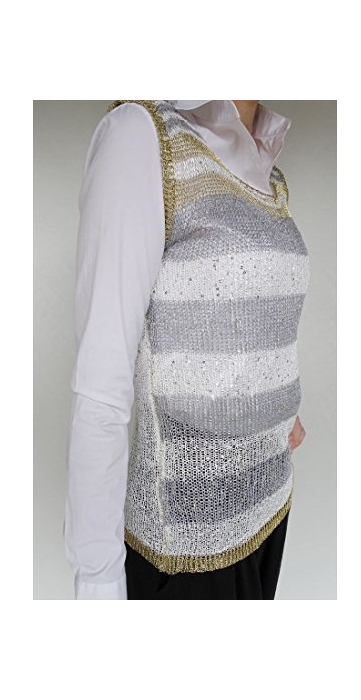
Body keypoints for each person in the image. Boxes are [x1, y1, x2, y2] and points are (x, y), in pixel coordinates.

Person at [64, 100, 310, 600]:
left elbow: (247, 318)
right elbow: (100, 385)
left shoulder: (268, 169)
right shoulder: (143, 135)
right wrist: (98, 581)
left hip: (272, 507)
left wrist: (281, 410)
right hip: (186, 548)